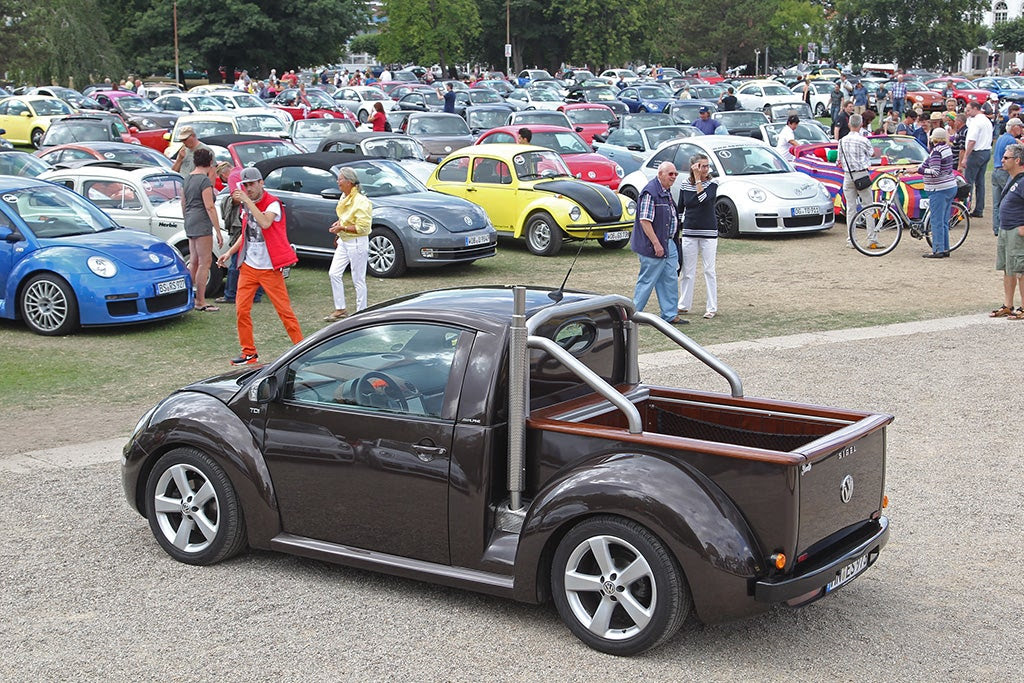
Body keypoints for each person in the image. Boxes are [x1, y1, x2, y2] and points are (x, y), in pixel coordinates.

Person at [216, 167, 303, 366]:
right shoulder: (247, 205)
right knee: (241, 310)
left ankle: (301, 348)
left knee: (285, 312)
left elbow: (265, 223)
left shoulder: (273, 203)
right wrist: (230, 253)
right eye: (245, 185)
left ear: (261, 183)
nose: (248, 189)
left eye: (252, 184)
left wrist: (247, 202)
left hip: (270, 268)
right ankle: (249, 352)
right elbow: (246, 233)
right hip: (249, 266)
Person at [631, 162, 684, 323]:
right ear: (660, 174)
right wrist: (656, 243)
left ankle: (670, 315)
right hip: (653, 246)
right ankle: (633, 315)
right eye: (670, 174)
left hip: (669, 243)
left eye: (675, 174)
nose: (674, 177)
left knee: (669, 279)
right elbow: (645, 221)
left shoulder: (666, 191)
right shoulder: (650, 192)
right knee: (647, 280)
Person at [325, 167, 372, 321]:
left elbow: (363, 228)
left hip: (357, 242)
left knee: (358, 279)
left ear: (349, 182)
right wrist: (339, 223)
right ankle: (340, 308)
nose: (337, 182)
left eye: (340, 179)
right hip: (344, 241)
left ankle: (361, 312)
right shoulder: (344, 197)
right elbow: (345, 216)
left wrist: (342, 228)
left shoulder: (361, 201)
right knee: (334, 273)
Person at [180, 147, 224, 311]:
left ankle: (187, 297)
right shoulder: (204, 181)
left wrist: (187, 219)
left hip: (190, 220)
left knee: (193, 261)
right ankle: (200, 301)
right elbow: (209, 207)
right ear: (210, 162)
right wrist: (218, 231)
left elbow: (183, 203)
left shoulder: (187, 179)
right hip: (201, 222)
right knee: (205, 262)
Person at [677, 153, 718, 319]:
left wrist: (698, 179)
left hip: (708, 232)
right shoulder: (685, 184)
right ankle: (683, 305)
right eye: (702, 166)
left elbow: (703, 199)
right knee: (687, 270)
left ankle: (712, 307)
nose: (706, 169)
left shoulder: (713, 183)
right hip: (690, 231)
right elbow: (681, 207)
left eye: (707, 166)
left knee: (709, 270)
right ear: (694, 166)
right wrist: (678, 229)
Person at [991, 143, 1024, 318]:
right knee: (1008, 268)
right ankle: (1008, 305)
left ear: (1017, 160)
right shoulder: (1013, 179)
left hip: (1016, 231)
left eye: (1006, 157)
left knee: (1021, 269)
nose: (1002, 160)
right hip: (1006, 229)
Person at [838, 113, 880, 247]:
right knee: (868, 207)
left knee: (851, 208)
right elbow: (872, 153)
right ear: (861, 125)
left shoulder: (842, 141)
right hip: (861, 174)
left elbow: (839, 160)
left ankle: (851, 239)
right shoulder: (863, 140)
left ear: (849, 124)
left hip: (848, 175)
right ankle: (871, 238)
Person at [918, 127, 957, 258]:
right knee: (944, 221)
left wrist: (920, 171)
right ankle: (945, 248)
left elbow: (935, 171)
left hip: (938, 188)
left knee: (936, 221)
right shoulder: (947, 149)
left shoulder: (936, 151)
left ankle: (938, 249)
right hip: (950, 186)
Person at [959, 101, 993, 218]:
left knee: (968, 182)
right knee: (980, 182)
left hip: (976, 153)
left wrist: (965, 157)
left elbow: (972, 141)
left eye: (969, 110)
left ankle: (966, 207)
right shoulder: (986, 120)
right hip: (986, 151)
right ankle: (979, 208)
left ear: (975, 109)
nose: (967, 113)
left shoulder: (976, 122)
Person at [992, 117, 1024, 232]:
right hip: (1005, 172)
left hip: (995, 171)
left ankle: (997, 227)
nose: (1021, 129)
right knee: (1011, 199)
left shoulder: (1001, 138)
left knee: (997, 202)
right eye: (1020, 127)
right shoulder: (1012, 141)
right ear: (1014, 127)